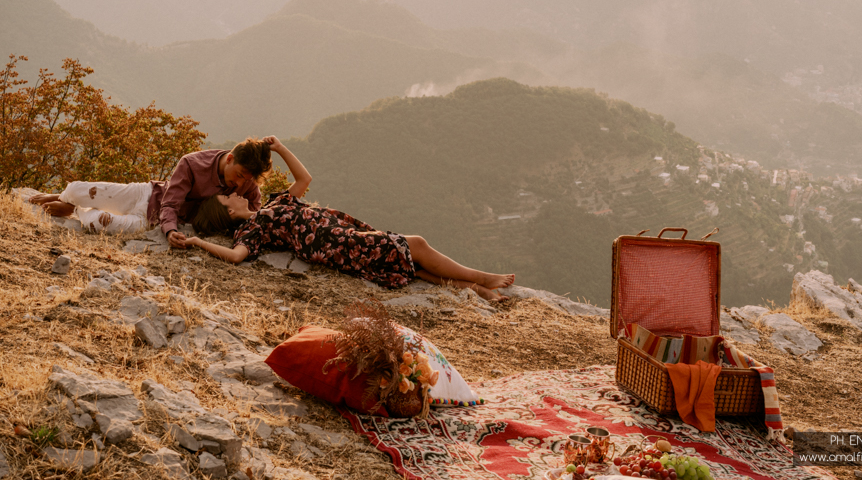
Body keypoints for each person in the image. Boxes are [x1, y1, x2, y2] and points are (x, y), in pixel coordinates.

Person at [184, 136, 515, 302]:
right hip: (339, 244)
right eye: (230, 194)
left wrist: (282, 149)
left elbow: (304, 179)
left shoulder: (270, 205)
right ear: (228, 211)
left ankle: (472, 287)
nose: (239, 190)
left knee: (412, 265)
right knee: (415, 244)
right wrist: (197, 242)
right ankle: (483, 277)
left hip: (343, 232)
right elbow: (235, 256)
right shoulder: (251, 229)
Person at [28, 138, 272, 241]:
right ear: (229, 159)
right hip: (146, 195)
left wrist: (166, 230)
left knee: (97, 223)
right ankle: (66, 198)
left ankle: (77, 210)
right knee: (80, 188)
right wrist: (171, 230)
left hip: (150, 221)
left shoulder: (248, 182)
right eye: (239, 175)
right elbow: (170, 203)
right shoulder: (193, 163)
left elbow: (255, 214)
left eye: (246, 179)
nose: (240, 184)